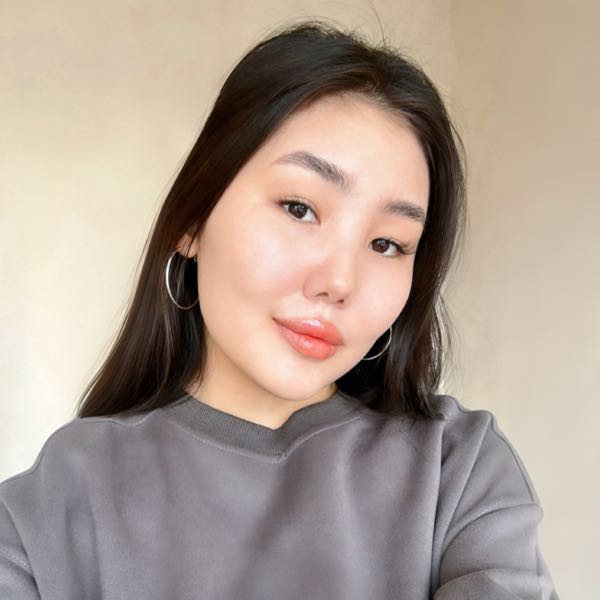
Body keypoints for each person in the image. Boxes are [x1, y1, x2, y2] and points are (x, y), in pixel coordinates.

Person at [0, 19, 559, 600]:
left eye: (388, 243)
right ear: (192, 219)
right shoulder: (56, 502)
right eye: (299, 208)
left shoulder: (457, 470)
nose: (338, 281)